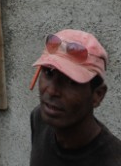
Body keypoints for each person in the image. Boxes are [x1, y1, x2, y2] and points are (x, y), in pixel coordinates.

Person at [30, 28, 121, 164]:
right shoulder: (39, 119)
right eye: (48, 73)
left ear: (98, 95)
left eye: (71, 82)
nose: (52, 91)